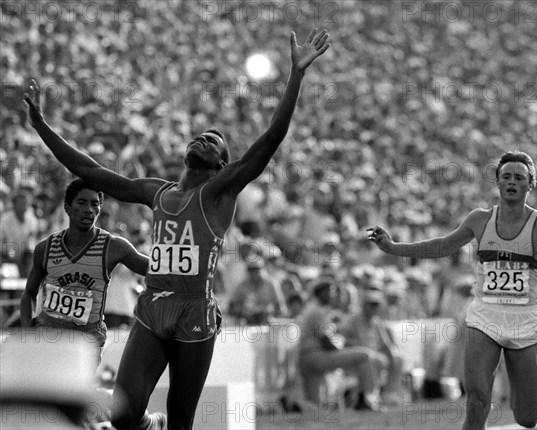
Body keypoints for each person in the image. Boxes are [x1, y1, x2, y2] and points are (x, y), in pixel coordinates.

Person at [24, 29, 330, 430]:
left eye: (214, 142)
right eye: (200, 136)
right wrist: (41, 125)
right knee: (123, 416)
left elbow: (271, 138)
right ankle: (152, 423)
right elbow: (88, 170)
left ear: (221, 166)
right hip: (153, 306)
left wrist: (296, 74)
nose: (204, 138)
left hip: (195, 311)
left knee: (184, 420)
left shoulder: (220, 193)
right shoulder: (158, 193)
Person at [368, 151, 537, 429]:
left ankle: (516, 380)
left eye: (519, 177)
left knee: (528, 418)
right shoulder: (480, 220)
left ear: (530, 185)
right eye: (506, 176)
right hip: (484, 317)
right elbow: (442, 246)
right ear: (497, 182)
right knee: (477, 401)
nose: (511, 182)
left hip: (525, 321)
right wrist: (394, 247)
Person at [19, 178, 149, 362]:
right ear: (67, 207)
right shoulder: (46, 248)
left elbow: (153, 269)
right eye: (82, 202)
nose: (89, 209)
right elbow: (28, 294)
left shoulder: (113, 246)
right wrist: (28, 331)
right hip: (47, 337)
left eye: (95, 204)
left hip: (86, 343)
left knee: (72, 390)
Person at [297, 279, 381, 411]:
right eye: (329, 292)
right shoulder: (317, 311)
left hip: (307, 359)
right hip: (315, 357)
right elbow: (325, 341)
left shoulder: (315, 309)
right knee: (365, 355)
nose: (333, 295)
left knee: (314, 405)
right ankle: (365, 399)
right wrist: (342, 352)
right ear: (320, 293)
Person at [339, 288, 404, 406]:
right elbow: (345, 340)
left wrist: (393, 353)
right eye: (371, 304)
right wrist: (360, 348)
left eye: (376, 305)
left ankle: (389, 395)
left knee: (397, 358)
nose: (374, 308)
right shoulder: (353, 320)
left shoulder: (376, 322)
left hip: (373, 355)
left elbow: (386, 344)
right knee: (371, 358)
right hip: (356, 356)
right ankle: (370, 396)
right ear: (364, 305)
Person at [228, 259, 287, 325]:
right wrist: (242, 311)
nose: (253, 272)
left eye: (256, 269)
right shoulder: (242, 285)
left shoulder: (271, 284)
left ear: (262, 269)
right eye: (251, 269)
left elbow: (280, 307)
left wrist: (268, 311)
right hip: (246, 321)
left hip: (268, 320)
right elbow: (231, 306)